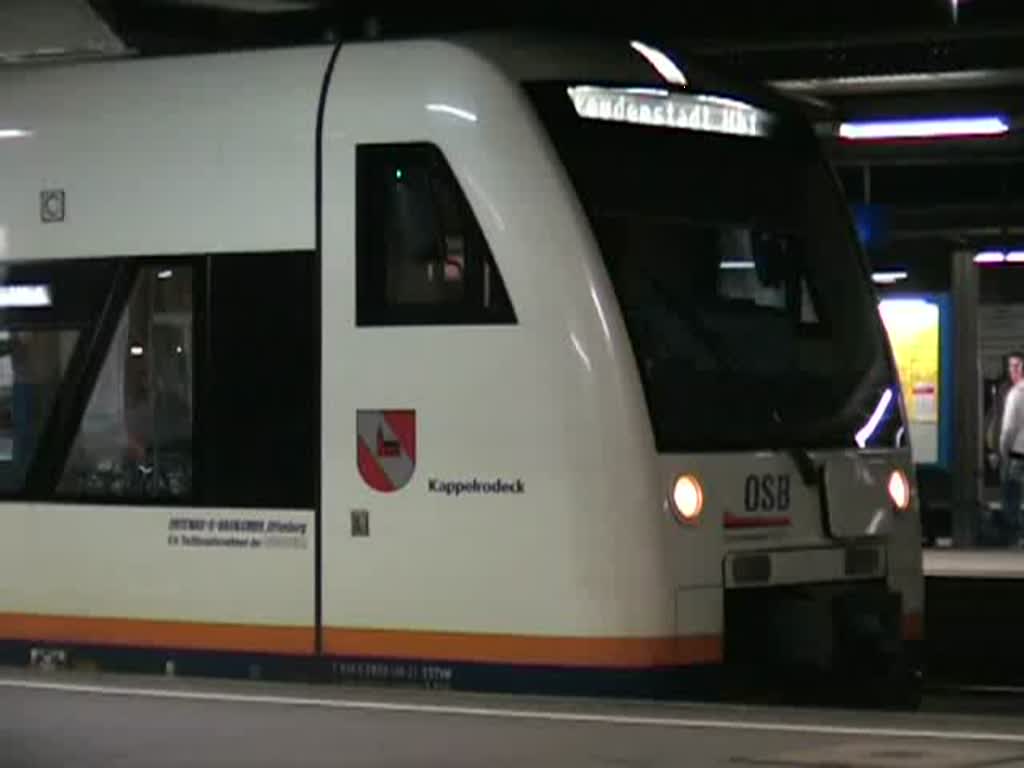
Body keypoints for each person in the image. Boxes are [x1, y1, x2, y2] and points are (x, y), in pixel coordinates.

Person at [998, 358, 1024, 545]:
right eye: (1011, 366)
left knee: (1012, 495)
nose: (1013, 370)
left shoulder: (1016, 394)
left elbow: (1009, 428)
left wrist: (1002, 450)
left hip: (1017, 453)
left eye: (1016, 366)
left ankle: (1014, 536)